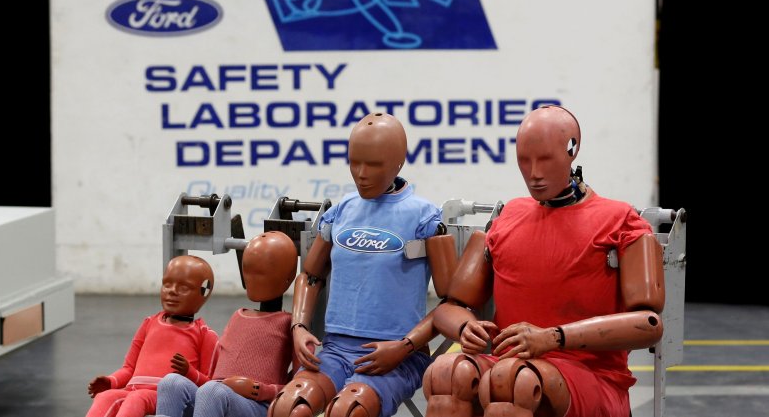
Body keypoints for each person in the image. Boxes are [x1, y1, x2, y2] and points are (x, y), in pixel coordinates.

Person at [423, 105, 665, 417]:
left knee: (515, 382)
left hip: (590, 374)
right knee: (446, 373)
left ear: (572, 150)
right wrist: (465, 327)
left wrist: (553, 337)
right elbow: (450, 306)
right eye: (524, 160)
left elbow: (649, 324)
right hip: (510, 367)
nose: (534, 172)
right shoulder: (508, 216)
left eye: (546, 159)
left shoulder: (620, 219)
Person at [268, 112, 450, 417]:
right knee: (288, 407)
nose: (362, 174)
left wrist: (404, 347)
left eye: (374, 164)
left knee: (350, 411)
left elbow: (451, 302)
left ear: (398, 162)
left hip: (398, 356)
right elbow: (311, 275)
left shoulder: (425, 218)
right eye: (354, 163)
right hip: (336, 350)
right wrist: (298, 327)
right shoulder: (342, 211)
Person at [155, 231, 300, 417]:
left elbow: (300, 383)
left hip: (256, 405)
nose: (253, 279)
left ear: (288, 276)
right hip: (216, 396)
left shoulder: (290, 323)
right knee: (171, 383)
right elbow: (214, 374)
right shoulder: (237, 316)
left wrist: (260, 389)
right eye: (248, 270)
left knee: (212, 392)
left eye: (261, 273)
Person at [85, 255, 219, 417]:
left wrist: (189, 372)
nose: (172, 291)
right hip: (132, 390)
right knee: (105, 397)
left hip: (166, 397)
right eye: (167, 284)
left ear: (203, 292)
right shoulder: (149, 323)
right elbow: (129, 368)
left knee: (137, 398)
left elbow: (210, 388)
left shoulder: (205, 334)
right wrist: (111, 381)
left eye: (184, 288)